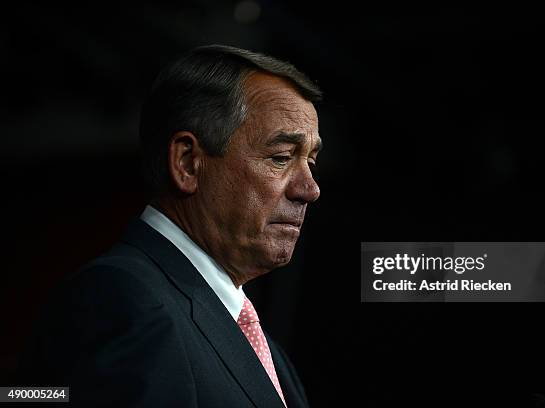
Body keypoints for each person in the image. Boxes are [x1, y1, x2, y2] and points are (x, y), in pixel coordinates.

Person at [17, 44, 322, 407]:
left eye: (311, 162)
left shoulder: (252, 335)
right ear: (188, 163)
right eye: (281, 158)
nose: (310, 189)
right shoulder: (122, 301)